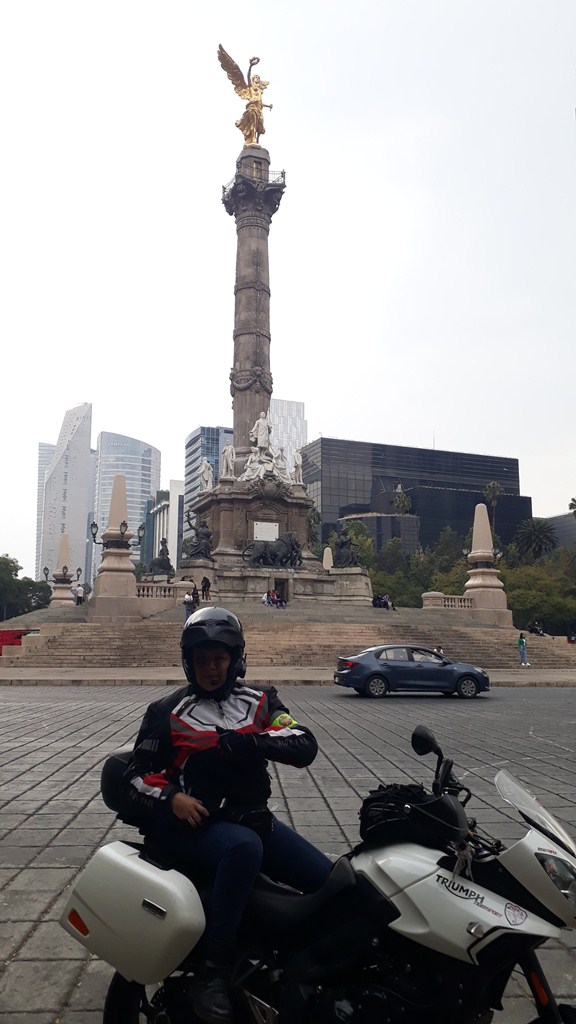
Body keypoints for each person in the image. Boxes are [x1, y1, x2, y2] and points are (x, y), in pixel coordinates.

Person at [118, 608, 332, 1023]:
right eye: (202, 660)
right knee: (244, 848)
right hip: (197, 825)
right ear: (189, 662)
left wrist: (253, 744)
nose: (212, 669)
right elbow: (134, 775)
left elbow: (302, 742)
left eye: (219, 659)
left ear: (235, 660)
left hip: (252, 818)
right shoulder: (168, 711)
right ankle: (213, 970)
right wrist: (172, 799)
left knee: (328, 881)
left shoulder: (262, 700)